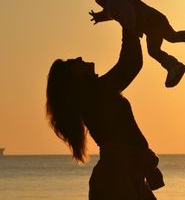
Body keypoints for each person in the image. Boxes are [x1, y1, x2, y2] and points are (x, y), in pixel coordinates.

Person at [46, 30, 163, 200]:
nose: (79, 58)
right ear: (74, 80)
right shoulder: (95, 93)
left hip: (125, 174)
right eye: (73, 63)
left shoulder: (95, 93)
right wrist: (127, 23)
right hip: (118, 177)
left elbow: (131, 64)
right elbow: (130, 64)